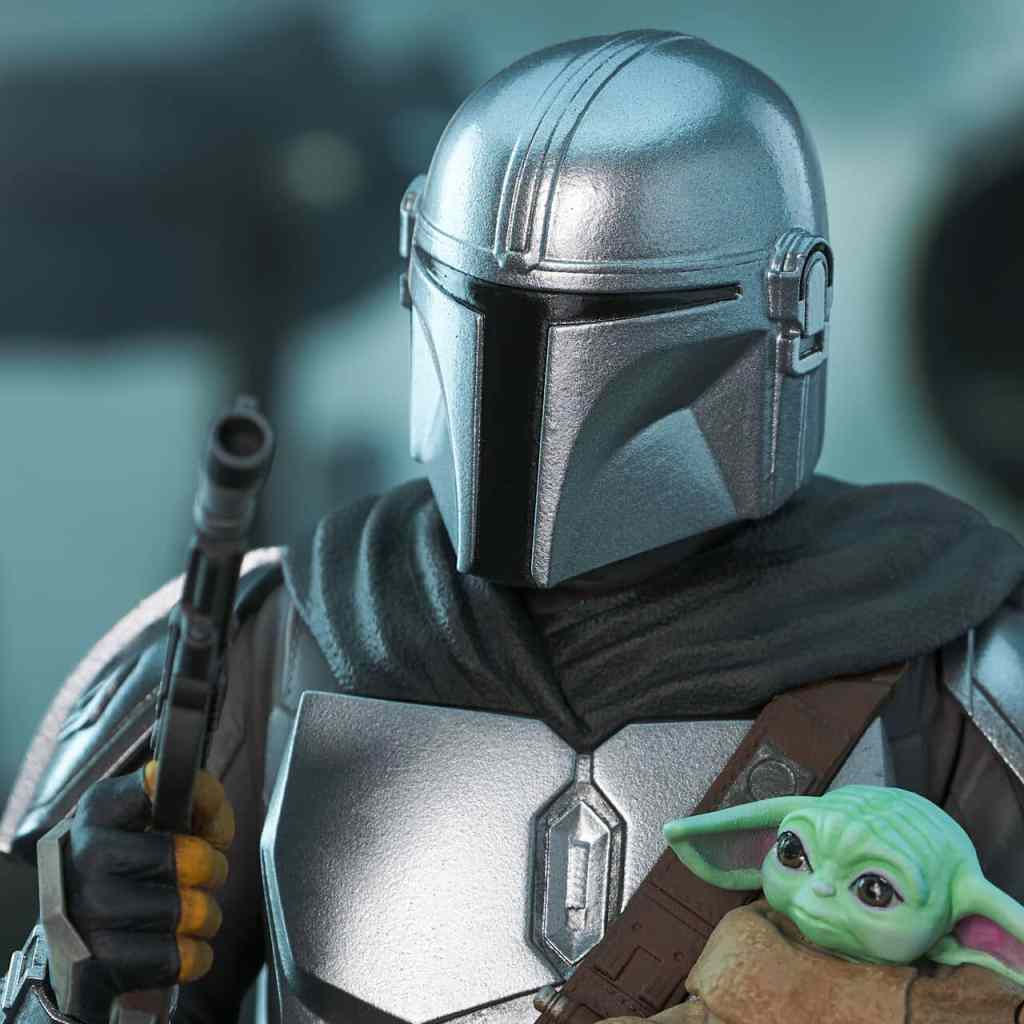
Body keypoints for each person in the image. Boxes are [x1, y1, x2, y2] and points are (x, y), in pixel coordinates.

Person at [3, 29, 1024, 1024]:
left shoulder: (951, 654)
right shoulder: (275, 632)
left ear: (788, 308)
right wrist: (83, 952)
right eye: (485, 304)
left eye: (592, 316)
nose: (524, 385)